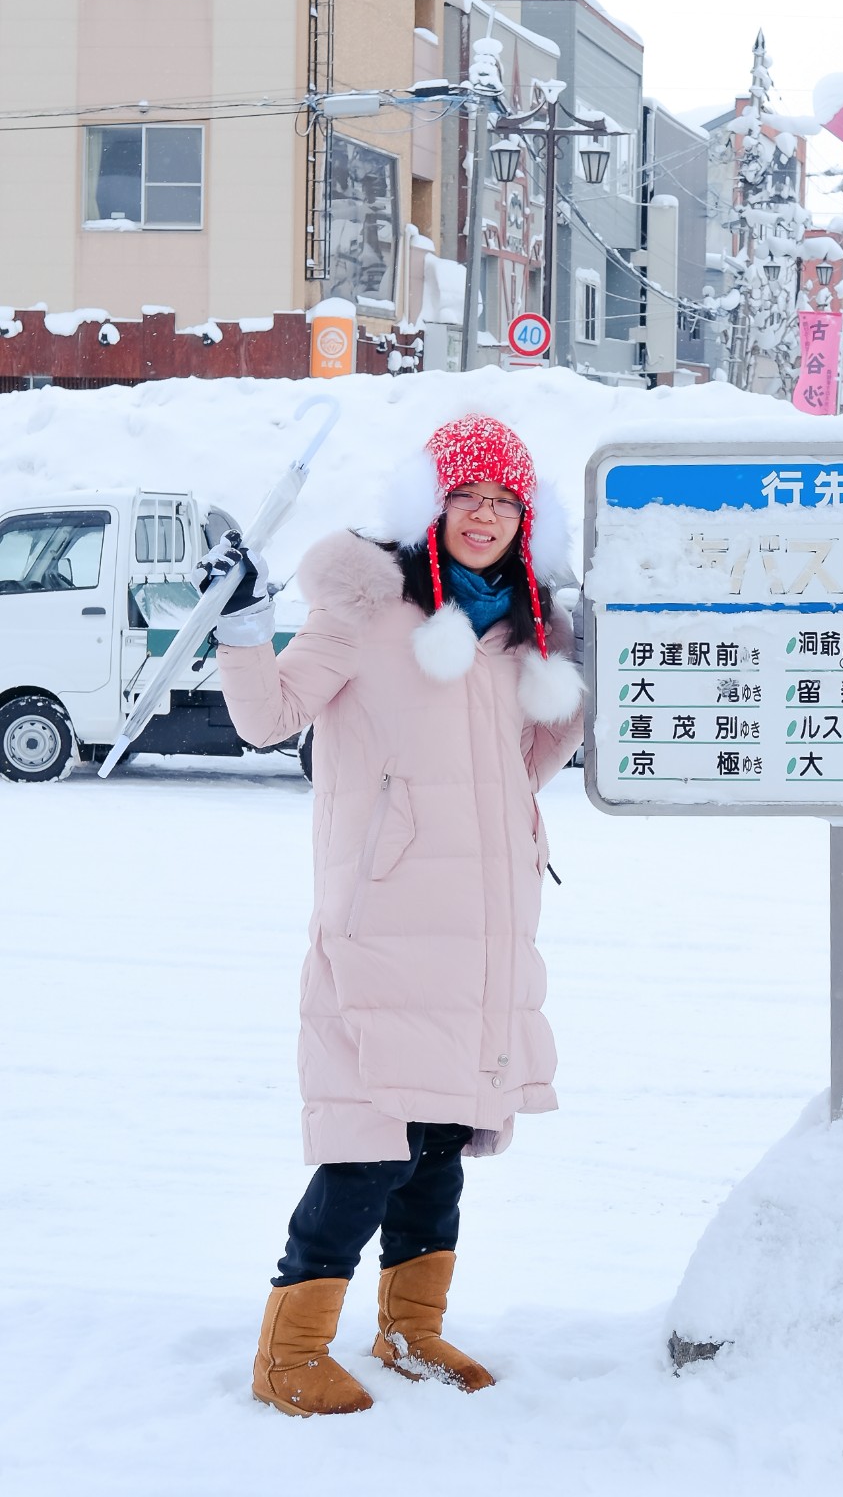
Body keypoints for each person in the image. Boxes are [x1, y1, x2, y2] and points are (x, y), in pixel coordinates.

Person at [207, 414, 584, 1417]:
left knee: (440, 1143)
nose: (486, 518)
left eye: (505, 503)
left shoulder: (516, 633)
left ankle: (411, 1326)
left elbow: (521, 774)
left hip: (482, 930)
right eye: (467, 499)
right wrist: (244, 622)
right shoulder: (367, 608)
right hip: (382, 924)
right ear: (432, 507)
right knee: (365, 1142)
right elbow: (264, 717)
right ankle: (288, 1350)